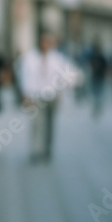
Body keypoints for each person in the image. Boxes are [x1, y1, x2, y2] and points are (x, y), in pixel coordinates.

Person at [17, 31, 83, 163]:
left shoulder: (57, 58)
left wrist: (60, 92)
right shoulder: (31, 58)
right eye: (43, 41)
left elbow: (65, 77)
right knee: (36, 124)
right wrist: (25, 95)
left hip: (51, 96)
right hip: (35, 95)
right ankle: (35, 150)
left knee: (49, 124)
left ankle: (47, 150)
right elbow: (25, 76)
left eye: (48, 42)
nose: (46, 44)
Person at [88, 41, 109, 119]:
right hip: (96, 77)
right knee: (96, 93)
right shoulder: (94, 57)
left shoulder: (102, 58)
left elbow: (106, 67)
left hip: (99, 77)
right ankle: (96, 105)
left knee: (98, 92)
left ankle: (98, 105)